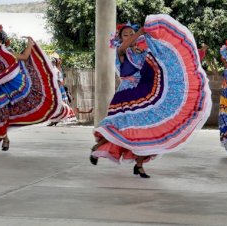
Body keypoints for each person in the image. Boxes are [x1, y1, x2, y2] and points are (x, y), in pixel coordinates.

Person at [90, 15, 212, 178]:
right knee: (121, 128)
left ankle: (139, 165)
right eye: (126, 34)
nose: (130, 36)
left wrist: (193, 54)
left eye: (132, 33)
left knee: (146, 131)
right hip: (126, 96)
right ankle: (99, 146)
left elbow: (167, 60)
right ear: (120, 38)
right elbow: (124, 47)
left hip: (145, 94)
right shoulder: (121, 52)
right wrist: (140, 31)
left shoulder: (146, 52)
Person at [0, 24, 62, 151]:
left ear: (1, 41)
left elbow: (24, 57)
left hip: (5, 88)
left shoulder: (7, 53)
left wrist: (30, 45)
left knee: (0, 114)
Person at [47, 57, 76, 126]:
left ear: (53, 63)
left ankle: (56, 119)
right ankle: (55, 120)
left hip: (58, 89)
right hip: (57, 89)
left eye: (52, 62)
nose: (50, 63)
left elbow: (59, 82)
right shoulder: (54, 70)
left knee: (57, 105)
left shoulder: (55, 71)